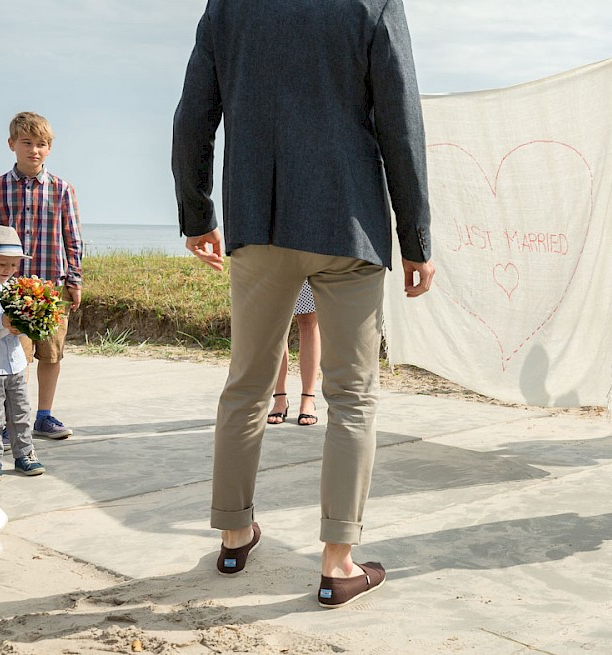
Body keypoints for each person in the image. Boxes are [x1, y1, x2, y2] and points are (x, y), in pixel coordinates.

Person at [172, 0, 434, 608]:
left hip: (257, 221)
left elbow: (193, 116)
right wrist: (417, 237)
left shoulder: (229, 8)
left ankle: (235, 535)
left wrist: (196, 213)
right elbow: (401, 121)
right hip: (349, 226)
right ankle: (337, 563)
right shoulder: (373, 4)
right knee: (353, 396)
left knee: (247, 385)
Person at [0, 112, 83, 441]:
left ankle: (44, 416)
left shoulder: (61, 189)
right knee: (17, 359)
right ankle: (10, 422)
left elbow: (72, 238)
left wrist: (75, 281)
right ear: (12, 144)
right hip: (11, 290)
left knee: (51, 354)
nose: (34, 150)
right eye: (27, 143)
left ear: (49, 148)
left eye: (42, 144)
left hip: (52, 289)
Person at [0, 225, 46, 482]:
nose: (8, 270)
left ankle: (25, 454)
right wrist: (2, 323)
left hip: (15, 364)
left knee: (21, 410)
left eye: (13, 265)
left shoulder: (15, 289)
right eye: (2, 263)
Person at [267, 281, 322, 426]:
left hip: (308, 259)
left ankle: (308, 398)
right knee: (276, 322)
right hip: (276, 260)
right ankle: (279, 398)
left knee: (308, 319)